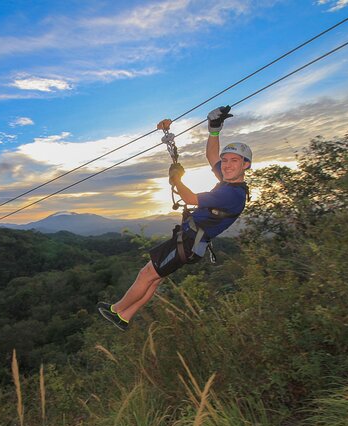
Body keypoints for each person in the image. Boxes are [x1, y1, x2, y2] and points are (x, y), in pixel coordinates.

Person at [97, 105, 251, 331]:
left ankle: (116, 310)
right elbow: (211, 156)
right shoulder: (231, 183)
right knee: (154, 278)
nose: (225, 165)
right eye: (225, 160)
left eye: (233, 161)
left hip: (188, 242)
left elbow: (189, 197)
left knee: (147, 273)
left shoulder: (231, 193)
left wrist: (176, 179)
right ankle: (125, 316)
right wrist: (214, 130)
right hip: (190, 242)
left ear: (246, 165)